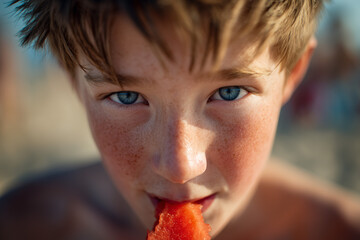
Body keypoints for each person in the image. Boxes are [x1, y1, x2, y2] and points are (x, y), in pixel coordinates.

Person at [0, 0, 359, 239]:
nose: (180, 166)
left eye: (229, 92)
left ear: (293, 74)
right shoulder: (22, 224)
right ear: (73, 83)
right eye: (126, 96)